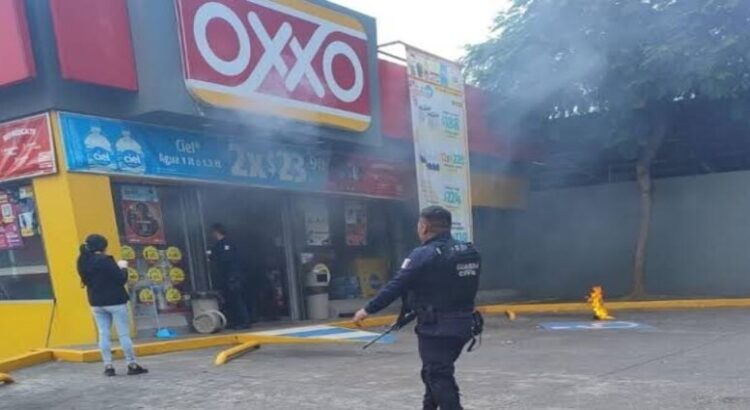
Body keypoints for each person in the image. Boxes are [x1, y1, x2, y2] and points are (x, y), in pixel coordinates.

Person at [353, 206, 481, 410]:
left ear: (424, 227)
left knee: (437, 375)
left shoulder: (424, 254)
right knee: (434, 372)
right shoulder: (468, 251)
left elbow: (397, 285)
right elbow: (445, 287)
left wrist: (368, 309)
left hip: (437, 329)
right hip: (464, 325)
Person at [77, 234, 148, 377]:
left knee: (104, 334)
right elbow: (121, 279)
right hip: (115, 301)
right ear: (103, 246)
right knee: (123, 334)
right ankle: (131, 364)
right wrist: (123, 267)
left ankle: (108, 366)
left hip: (96, 302)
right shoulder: (106, 260)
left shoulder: (82, 260)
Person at [207, 224, 251, 329]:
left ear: (216, 232)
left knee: (237, 300)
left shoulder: (228, 244)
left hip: (232, 277)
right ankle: (235, 321)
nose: (212, 235)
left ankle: (244, 322)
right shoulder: (218, 245)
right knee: (229, 301)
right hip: (225, 278)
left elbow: (226, 261)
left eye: (213, 233)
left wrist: (234, 277)